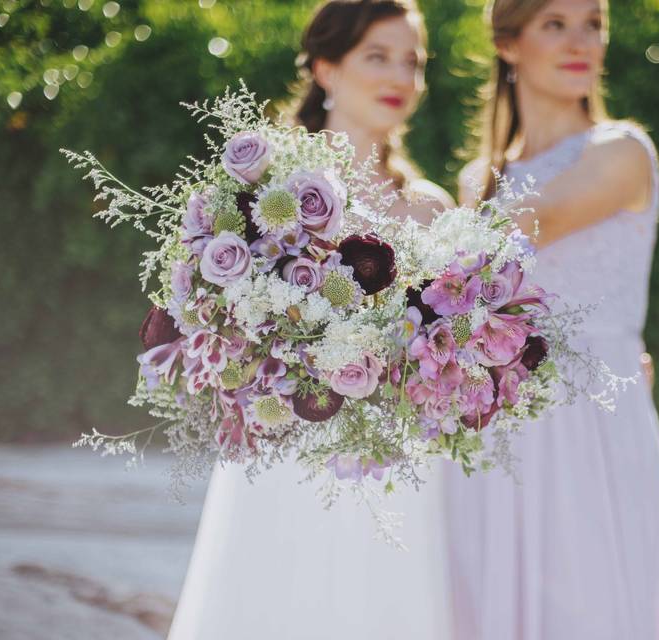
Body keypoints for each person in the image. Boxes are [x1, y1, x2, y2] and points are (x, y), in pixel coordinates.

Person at [166, 2, 454, 638]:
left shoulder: (430, 207)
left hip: (394, 462)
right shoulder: (267, 196)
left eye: (413, 61)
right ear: (327, 67)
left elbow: (440, 349)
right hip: (286, 451)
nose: (400, 77)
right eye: (377, 56)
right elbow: (219, 321)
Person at [441, 0, 659, 637]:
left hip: (595, 419)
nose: (581, 42)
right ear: (508, 43)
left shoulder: (622, 152)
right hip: (500, 423)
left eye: (593, 25)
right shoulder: (479, 182)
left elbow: (528, 229)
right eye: (555, 24)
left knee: (590, 604)